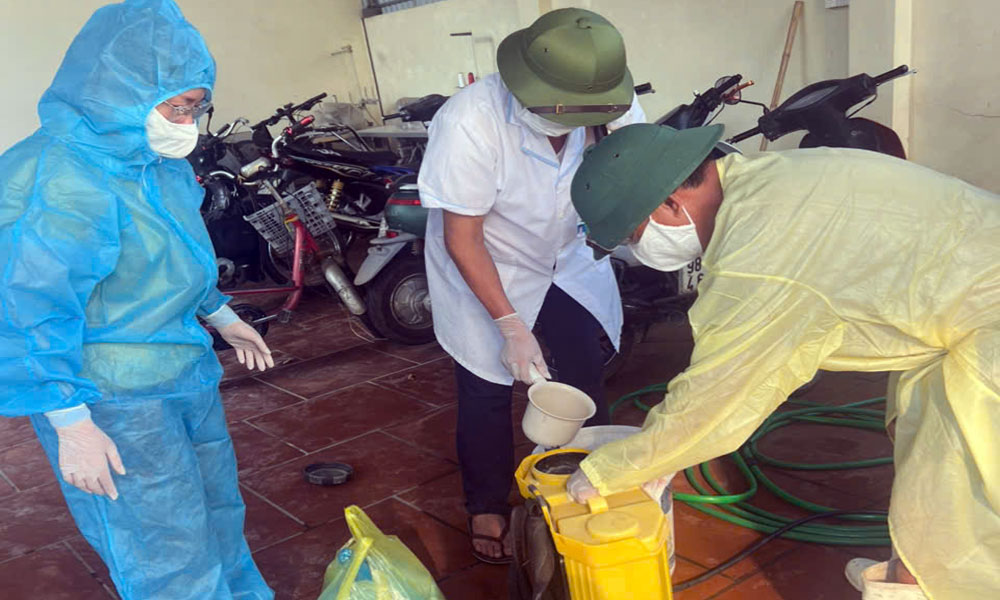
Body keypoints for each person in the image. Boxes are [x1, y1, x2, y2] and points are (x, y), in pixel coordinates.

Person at [564, 123, 999, 600]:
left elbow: (720, 393)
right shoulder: (763, 179)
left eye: (633, 234)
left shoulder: (757, 247)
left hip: (988, 327)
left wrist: (612, 470)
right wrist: (667, 452)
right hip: (962, 308)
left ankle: (931, 584)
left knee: (961, 504)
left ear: (669, 202)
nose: (637, 250)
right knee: (926, 465)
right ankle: (907, 572)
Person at [0, 2, 275, 598]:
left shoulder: (154, 162)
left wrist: (218, 311)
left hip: (183, 371)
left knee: (216, 513)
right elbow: (23, 308)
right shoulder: (54, 177)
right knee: (162, 547)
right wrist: (69, 420)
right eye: (177, 106)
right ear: (118, 90)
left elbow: (174, 254)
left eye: (196, 107)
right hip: (110, 399)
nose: (187, 123)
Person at [417, 7, 646, 563]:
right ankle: (486, 504)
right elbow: (463, 237)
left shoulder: (613, 103)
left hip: (569, 256)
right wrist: (510, 324)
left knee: (583, 373)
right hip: (488, 260)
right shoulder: (470, 120)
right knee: (486, 385)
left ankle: (582, 484)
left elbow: (636, 173)